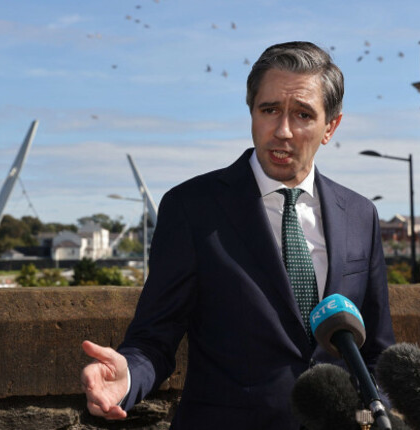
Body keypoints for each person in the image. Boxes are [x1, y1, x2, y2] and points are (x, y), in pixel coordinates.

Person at [81, 41, 395, 429]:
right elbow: (154, 339)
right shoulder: (191, 208)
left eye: (302, 114)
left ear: (330, 126)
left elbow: (378, 354)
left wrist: (368, 416)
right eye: (269, 110)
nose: (282, 131)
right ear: (251, 112)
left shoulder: (361, 215)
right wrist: (126, 378)